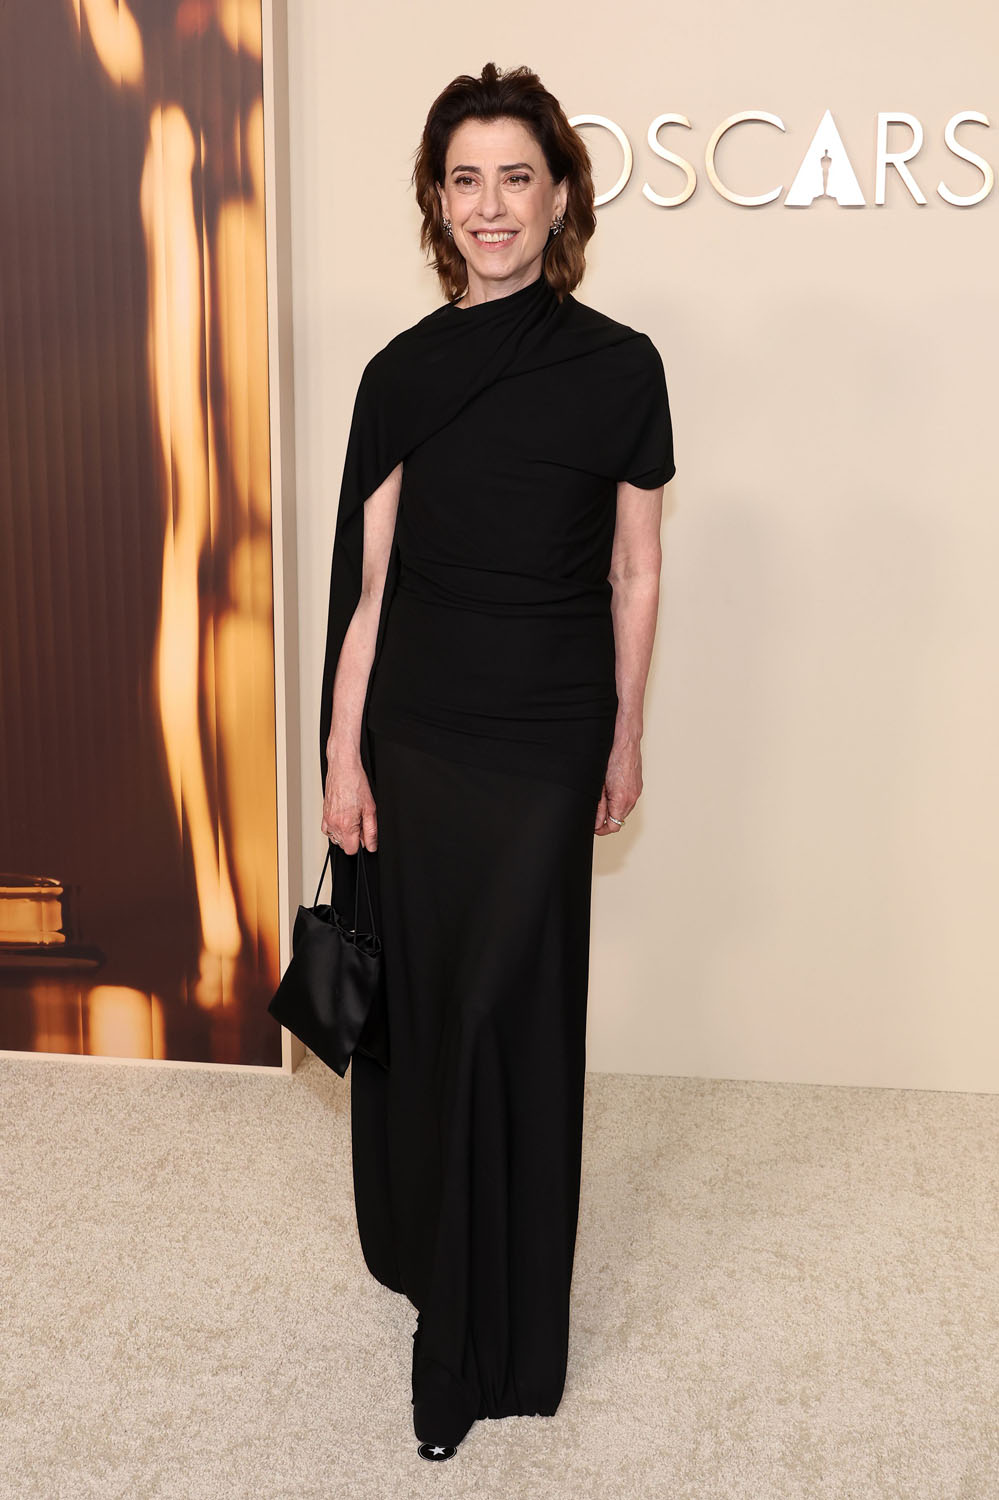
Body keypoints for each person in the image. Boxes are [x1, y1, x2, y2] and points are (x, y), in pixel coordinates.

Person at [318, 62, 676, 1461]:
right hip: (417, 731)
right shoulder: (399, 376)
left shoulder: (622, 367)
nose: (490, 205)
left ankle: (490, 1336)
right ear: (436, 200)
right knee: (430, 1017)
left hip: (544, 730)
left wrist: (626, 730)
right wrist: (342, 756)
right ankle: (443, 1299)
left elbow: (636, 574)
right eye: (464, 179)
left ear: (562, 195)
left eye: (515, 176)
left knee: (498, 1016)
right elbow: (369, 589)